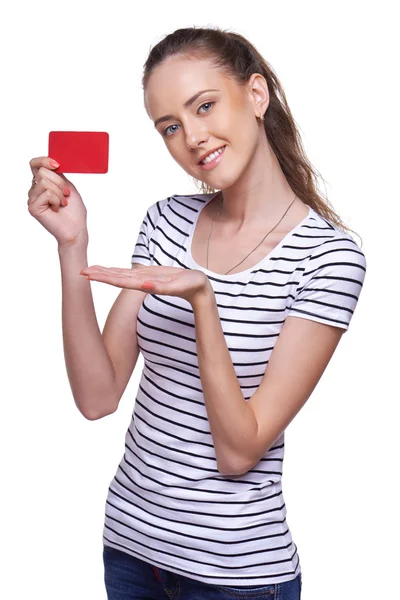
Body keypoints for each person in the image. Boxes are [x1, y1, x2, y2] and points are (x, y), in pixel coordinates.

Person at [27, 25, 366, 600]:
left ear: (256, 96)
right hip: (130, 549)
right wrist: (72, 245)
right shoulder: (165, 219)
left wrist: (202, 302)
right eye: (170, 127)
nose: (192, 138)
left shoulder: (330, 257)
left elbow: (239, 450)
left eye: (204, 106)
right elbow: (96, 396)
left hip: (234, 578)